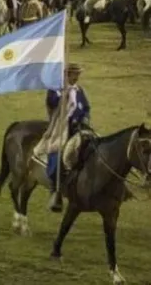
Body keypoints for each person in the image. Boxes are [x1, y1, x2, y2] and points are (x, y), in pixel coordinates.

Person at [45, 63, 91, 213]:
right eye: (74, 74)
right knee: (57, 152)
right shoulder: (55, 90)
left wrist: (84, 119)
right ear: (67, 75)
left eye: (78, 74)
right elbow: (52, 106)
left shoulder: (79, 90)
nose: (77, 77)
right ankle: (54, 187)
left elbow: (85, 108)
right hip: (61, 127)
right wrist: (62, 97)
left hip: (80, 127)